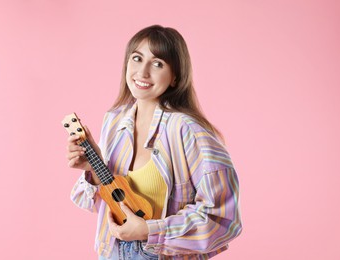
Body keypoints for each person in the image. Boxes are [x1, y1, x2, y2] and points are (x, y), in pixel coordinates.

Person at [66, 25, 242, 259]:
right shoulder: (114, 120)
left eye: (158, 63)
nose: (143, 72)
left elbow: (222, 219)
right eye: (137, 58)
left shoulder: (188, 130)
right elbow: (110, 206)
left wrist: (149, 231)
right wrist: (94, 170)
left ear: (175, 77)